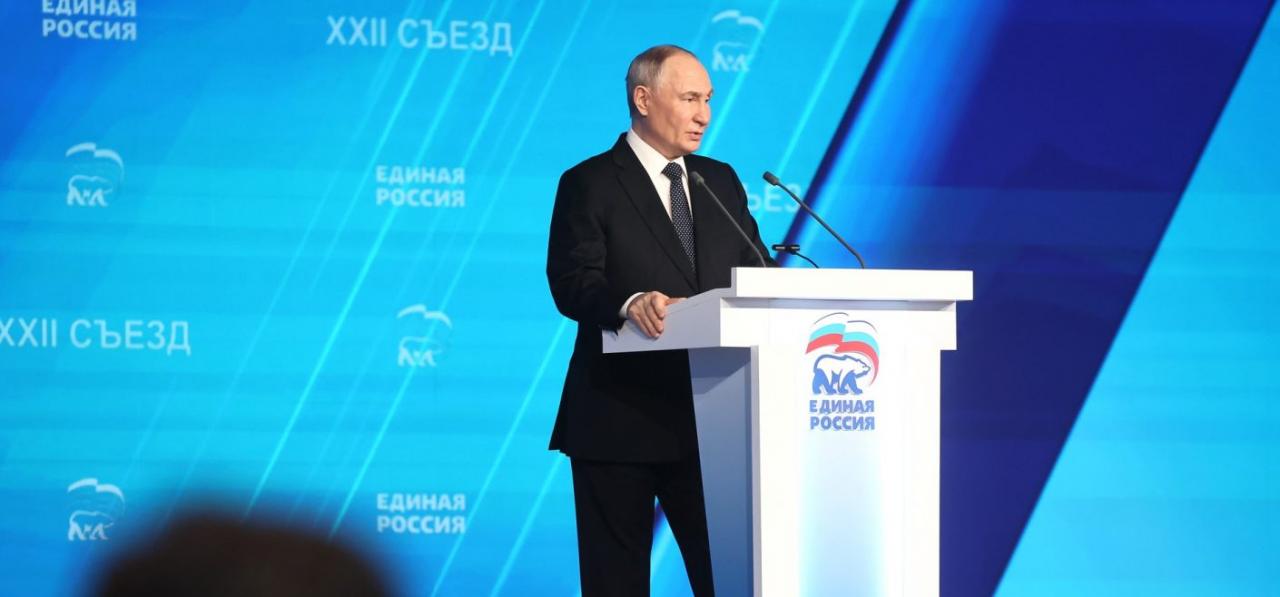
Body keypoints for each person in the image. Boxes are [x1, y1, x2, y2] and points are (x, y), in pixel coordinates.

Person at [545, 44, 774, 597]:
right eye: (690, 98)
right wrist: (629, 303)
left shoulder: (719, 181)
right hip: (618, 418)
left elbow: (758, 272)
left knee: (731, 581)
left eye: (708, 99)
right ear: (643, 99)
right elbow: (573, 282)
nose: (704, 114)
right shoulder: (590, 181)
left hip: (715, 421)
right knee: (616, 584)